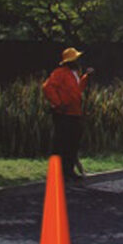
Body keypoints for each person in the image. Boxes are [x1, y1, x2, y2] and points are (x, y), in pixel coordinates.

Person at [42, 47, 94, 181]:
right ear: (70, 61)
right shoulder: (60, 73)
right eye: (76, 59)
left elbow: (77, 90)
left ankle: (68, 171)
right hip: (63, 114)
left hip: (74, 113)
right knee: (60, 144)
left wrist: (86, 77)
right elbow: (47, 87)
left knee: (72, 143)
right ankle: (57, 173)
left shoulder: (74, 74)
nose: (79, 61)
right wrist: (58, 103)